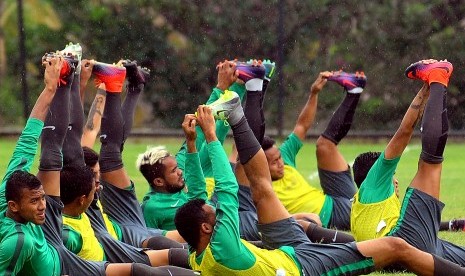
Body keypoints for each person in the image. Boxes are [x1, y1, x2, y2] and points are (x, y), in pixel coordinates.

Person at [174, 73, 465, 275]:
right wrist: (211, 137)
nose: (215, 208)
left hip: (285, 252)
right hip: (305, 268)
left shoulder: (196, 252)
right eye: (213, 213)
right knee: (397, 246)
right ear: (206, 228)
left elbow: (198, 194)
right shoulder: (222, 246)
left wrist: (190, 145)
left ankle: (236, 116)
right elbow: (225, 189)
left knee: (262, 189)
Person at [351, 59, 465, 266]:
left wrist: (425, 89)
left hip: (416, 248)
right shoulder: (373, 182)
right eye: (391, 176)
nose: (395, 181)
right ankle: (440, 78)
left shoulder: (362, 207)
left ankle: (434, 78)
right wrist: (434, 85)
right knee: (429, 164)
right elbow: (404, 133)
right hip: (405, 241)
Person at [261, 70, 365, 230]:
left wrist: (314, 93)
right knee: (367, 212)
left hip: (334, 197)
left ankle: (354, 91)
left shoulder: (285, 157)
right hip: (332, 216)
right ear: (260, 164)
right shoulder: (256, 186)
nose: (280, 163)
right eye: (274, 162)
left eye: (279, 158)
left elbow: (301, 126)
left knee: (324, 146)